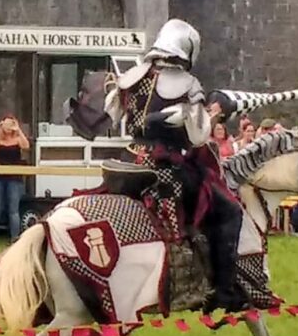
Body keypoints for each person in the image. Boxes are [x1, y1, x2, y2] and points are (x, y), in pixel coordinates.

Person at [104, 18, 244, 312]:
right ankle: (224, 289)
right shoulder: (188, 85)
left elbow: (114, 115)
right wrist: (213, 115)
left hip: (133, 158)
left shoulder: (133, 77)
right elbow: (198, 136)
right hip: (166, 168)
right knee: (229, 211)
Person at [0, 115, 29, 244]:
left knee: (13, 209)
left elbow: (26, 146)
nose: (8, 127)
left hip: (14, 178)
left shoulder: (17, 139)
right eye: (6, 124)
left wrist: (18, 129)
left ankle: (15, 238)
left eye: (11, 124)